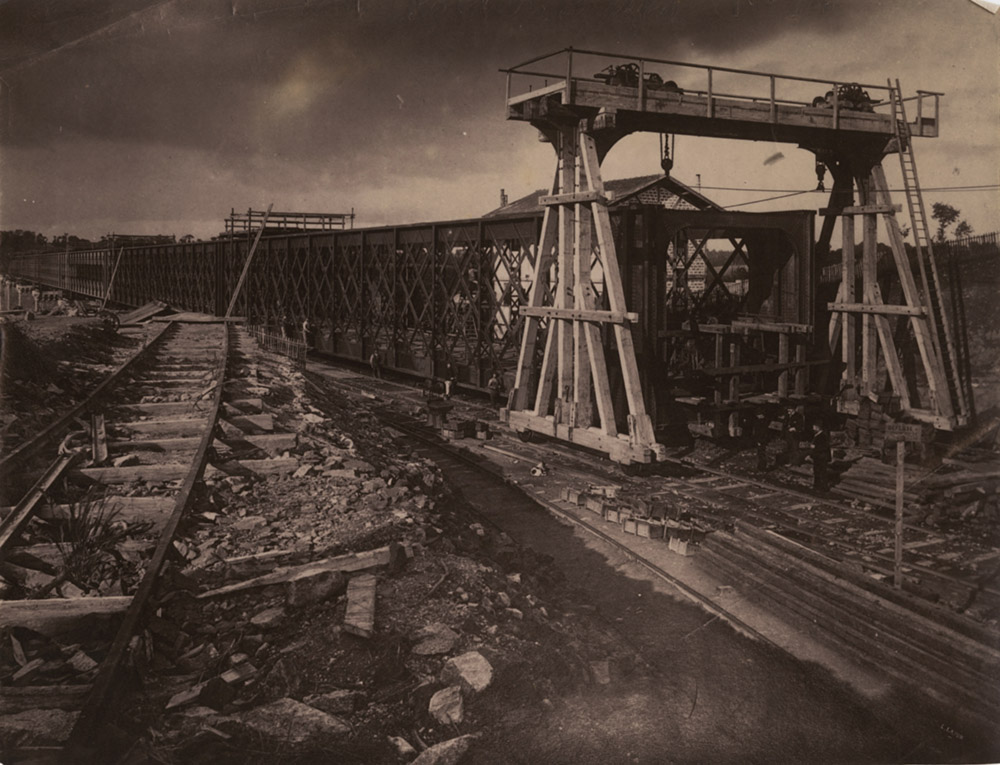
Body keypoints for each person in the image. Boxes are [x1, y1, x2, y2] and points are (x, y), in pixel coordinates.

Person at [811, 420, 831, 492]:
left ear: (818, 428)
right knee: (817, 471)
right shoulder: (817, 435)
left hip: (822, 457)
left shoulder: (822, 436)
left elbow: (824, 447)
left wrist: (815, 447)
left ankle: (824, 487)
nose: (813, 428)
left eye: (814, 426)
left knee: (822, 472)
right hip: (818, 457)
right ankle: (817, 486)